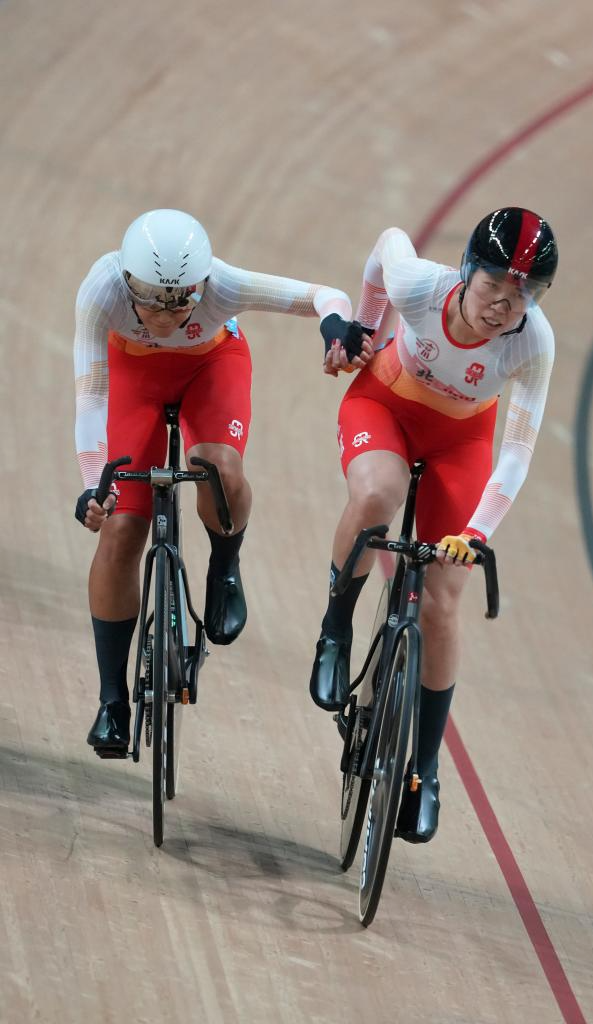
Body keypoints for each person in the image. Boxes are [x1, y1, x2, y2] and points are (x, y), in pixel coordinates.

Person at [74, 208, 372, 757]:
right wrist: (96, 486)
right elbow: (91, 394)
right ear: (127, 282)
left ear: (203, 285)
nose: (166, 314)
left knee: (218, 466)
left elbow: (324, 295)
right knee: (120, 530)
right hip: (133, 375)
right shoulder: (101, 288)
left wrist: (335, 326)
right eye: (151, 299)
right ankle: (112, 700)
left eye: (181, 300)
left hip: (211, 365)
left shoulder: (224, 285)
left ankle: (224, 564)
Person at [309, 207, 558, 843]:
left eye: (522, 295)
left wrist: (477, 533)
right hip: (386, 403)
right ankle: (335, 631)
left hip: (461, 441)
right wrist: (367, 326)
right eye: (493, 286)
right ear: (467, 271)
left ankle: (424, 770)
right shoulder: (420, 285)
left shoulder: (533, 343)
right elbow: (386, 242)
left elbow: (517, 451)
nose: (503, 306)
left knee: (443, 600)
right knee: (379, 494)